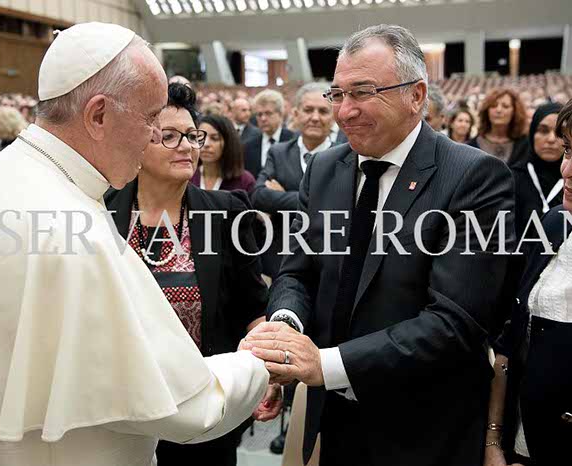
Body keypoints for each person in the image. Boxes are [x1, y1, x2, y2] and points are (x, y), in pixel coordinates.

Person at [0, 23, 269, 466]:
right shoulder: (71, 227)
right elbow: (187, 406)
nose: (157, 136)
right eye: (151, 118)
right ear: (98, 115)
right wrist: (256, 364)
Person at [241, 25, 515, 466]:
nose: (345, 111)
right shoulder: (325, 168)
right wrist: (285, 334)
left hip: (422, 431)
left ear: (416, 94)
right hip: (331, 423)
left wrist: (325, 365)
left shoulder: (473, 177)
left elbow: (455, 322)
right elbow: (298, 271)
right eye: (338, 94)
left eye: (363, 92)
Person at [105, 82, 281, 466]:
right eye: (168, 136)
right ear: (137, 143)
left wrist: (263, 372)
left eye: (192, 135)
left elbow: (254, 307)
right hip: (118, 408)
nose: (186, 146)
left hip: (202, 407)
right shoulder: (101, 211)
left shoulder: (226, 212)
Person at [484, 98, 571, 466]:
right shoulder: (554, 225)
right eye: (569, 150)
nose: (567, 168)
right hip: (530, 443)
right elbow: (511, 341)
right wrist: (494, 440)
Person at [252, 82, 337, 279]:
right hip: (282, 259)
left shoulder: (344, 157)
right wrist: (319, 199)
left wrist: (281, 198)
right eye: (308, 110)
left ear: (332, 118)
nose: (315, 117)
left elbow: (340, 207)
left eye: (323, 111)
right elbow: (258, 195)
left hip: (327, 259)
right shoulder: (279, 152)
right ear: (296, 114)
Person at [510, 102, 565, 237]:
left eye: (560, 132)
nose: (551, 139)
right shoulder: (512, 179)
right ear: (532, 133)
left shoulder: (569, 180)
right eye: (543, 130)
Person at [191, 114, 256, 194]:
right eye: (200, 137)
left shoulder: (244, 181)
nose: (206, 144)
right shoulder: (188, 176)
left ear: (228, 143)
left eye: (214, 138)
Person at [469, 88, 529, 166]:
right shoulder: (472, 146)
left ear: (515, 111)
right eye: (493, 106)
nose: (499, 110)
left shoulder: (526, 145)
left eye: (505, 106)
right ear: (487, 110)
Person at [244, 89, 295, 178]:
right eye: (259, 114)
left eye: (268, 113)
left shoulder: (294, 141)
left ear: (280, 114)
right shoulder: (248, 147)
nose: (263, 118)